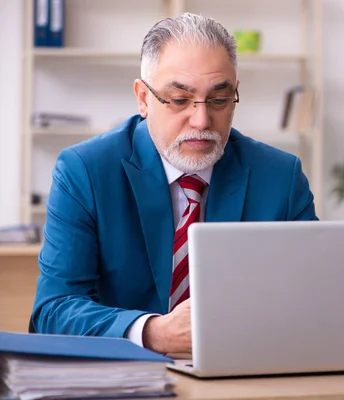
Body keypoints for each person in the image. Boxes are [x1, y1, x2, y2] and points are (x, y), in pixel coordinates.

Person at [30, 12, 318, 354]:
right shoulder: (85, 171)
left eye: (219, 100)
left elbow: (316, 300)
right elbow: (54, 310)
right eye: (180, 100)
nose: (201, 119)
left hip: (246, 371)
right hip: (126, 381)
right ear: (143, 98)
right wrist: (152, 332)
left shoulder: (280, 177)